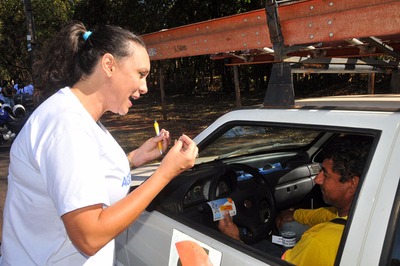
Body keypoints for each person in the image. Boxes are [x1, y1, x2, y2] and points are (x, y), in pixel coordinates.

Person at [0, 21, 198, 265]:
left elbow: (78, 174)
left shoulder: (81, 119)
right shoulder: (66, 125)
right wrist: (165, 173)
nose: (145, 87)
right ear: (108, 65)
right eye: (140, 74)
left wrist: (135, 158)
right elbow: (89, 236)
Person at [218, 135, 372, 266]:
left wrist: (236, 239)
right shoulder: (368, 212)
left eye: (325, 174)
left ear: (352, 183)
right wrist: (295, 214)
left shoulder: (319, 241)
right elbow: (327, 215)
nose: (317, 179)